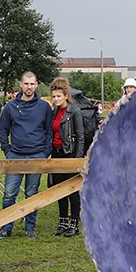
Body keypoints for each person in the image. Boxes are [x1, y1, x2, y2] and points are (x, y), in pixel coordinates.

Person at [0, 71, 52, 238]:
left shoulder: (44, 107)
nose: (29, 87)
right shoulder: (10, 107)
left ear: (37, 85)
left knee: (31, 193)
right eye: (26, 84)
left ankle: (30, 227)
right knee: (9, 193)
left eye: (32, 84)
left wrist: (45, 152)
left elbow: (49, 131)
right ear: (21, 84)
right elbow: (3, 131)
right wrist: (7, 151)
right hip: (15, 156)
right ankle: (6, 227)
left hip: (37, 155)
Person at [48, 77, 85, 237]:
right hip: (56, 153)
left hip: (69, 153)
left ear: (65, 95)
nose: (56, 99)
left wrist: (76, 159)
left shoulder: (74, 110)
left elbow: (80, 136)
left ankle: (74, 223)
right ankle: (62, 221)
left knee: (72, 190)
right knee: (59, 189)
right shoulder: (54, 111)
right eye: (54, 96)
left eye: (58, 96)